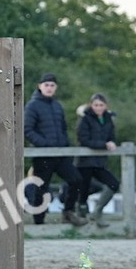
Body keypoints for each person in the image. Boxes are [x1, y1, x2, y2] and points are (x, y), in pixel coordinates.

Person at [24, 72, 87, 226]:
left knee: (76, 180)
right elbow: (27, 129)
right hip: (43, 154)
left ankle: (68, 212)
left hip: (60, 154)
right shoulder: (32, 106)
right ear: (40, 86)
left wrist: (64, 145)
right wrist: (44, 144)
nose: (49, 88)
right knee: (41, 187)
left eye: (52, 85)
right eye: (46, 85)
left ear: (56, 87)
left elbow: (63, 128)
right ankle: (39, 222)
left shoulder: (57, 105)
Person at [76, 93, 120, 228]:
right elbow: (83, 139)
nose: (98, 108)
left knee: (113, 184)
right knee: (83, 191)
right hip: (85, 162)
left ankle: (97, 211)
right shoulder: (85, 119)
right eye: (96, 105)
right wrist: (104, 144)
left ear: (105, 106)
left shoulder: (108, 119)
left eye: (101, 105)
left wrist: (111, 142)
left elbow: (111, 136)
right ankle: (82, 219)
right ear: (91, 105)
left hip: (100, 162)